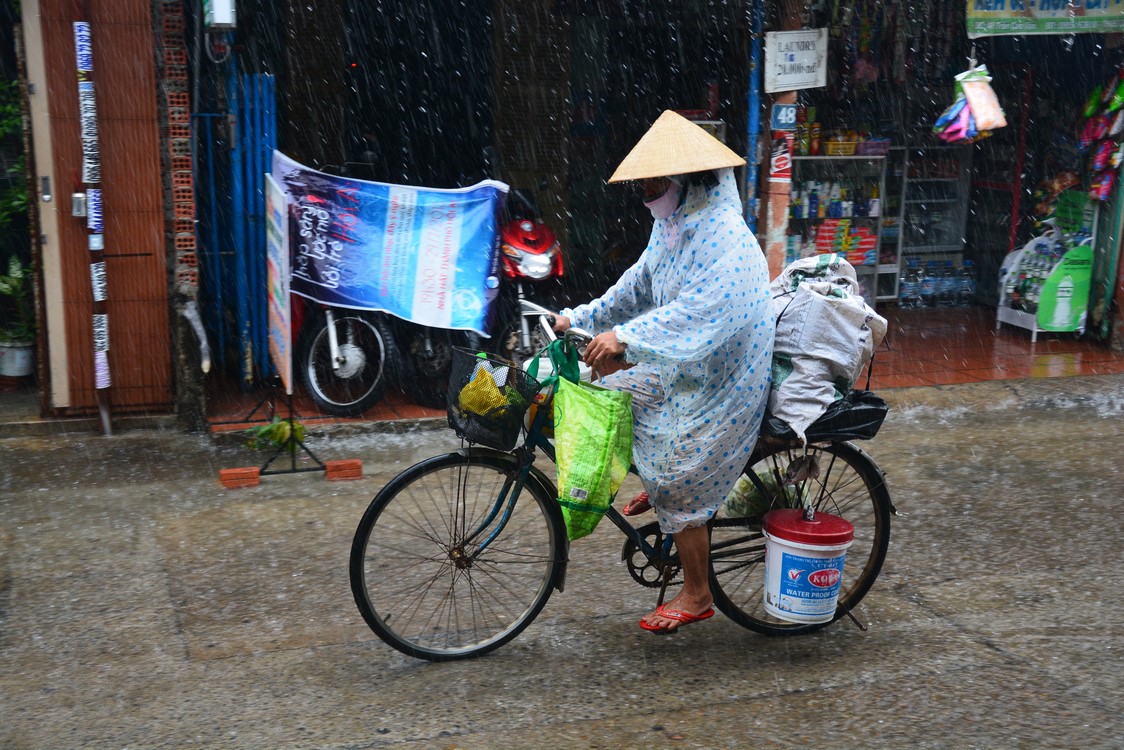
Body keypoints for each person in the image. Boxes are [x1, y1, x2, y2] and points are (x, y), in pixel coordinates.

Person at [553, 110, 774, 634]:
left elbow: (696, 312)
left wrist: (626, 338)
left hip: (726, 380)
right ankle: (666, 491)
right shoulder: (672, 228)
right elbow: (635, 288)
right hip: (687, 367)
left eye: (654, 182)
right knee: (609, 392)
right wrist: (580, 318)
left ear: (686, 182)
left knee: (678, 474)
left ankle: (697, 592)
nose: (648, 192)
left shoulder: (724, 238)